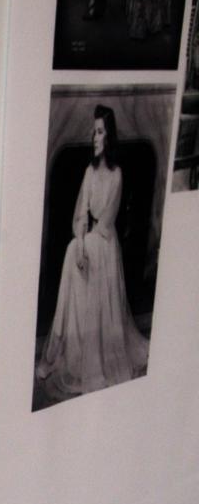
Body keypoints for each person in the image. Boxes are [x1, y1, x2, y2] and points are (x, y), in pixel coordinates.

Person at [36, 103, 150, 403]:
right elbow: (79, 215)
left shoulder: (117, 176)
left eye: (99, 132)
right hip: (89, 239)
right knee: (72, 251)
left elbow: (106, 222)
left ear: (108, 137)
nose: (93, 137)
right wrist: (81, 243)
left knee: (81, 252)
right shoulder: (88, 171)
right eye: (93, 131)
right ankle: (69, 343)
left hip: (106, 241)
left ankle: (89, 346)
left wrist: (88, 245)